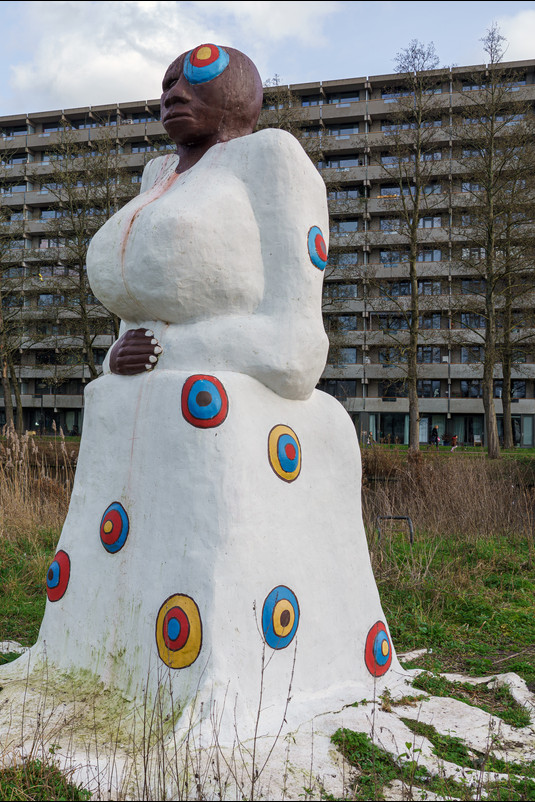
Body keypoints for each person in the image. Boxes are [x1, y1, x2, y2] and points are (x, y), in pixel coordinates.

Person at [31, 44, 400, 728]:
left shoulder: (272, 159)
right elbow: (131, 332)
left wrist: (172, 349)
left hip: (231, 404)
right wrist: (123, 357)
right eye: (165, 82)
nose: (171, 92)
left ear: (243, 94)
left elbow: (297, 347)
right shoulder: (157, 176)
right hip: (145, 403)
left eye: (193, 79)